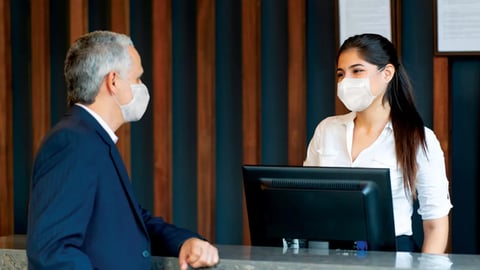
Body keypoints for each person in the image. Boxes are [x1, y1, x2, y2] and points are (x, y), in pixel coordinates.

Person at [26, 30, 219, 269]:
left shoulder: (94, 138)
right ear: (114, 81)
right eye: (137, 78)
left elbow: (130, 221)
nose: (142, 87)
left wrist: (185, 242)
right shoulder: (72, 142)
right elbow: (52, 252)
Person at [304, 33, 452, 253]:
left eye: (357, 71)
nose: (346, 81)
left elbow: (435, 226)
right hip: (330, 254)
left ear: (387, 73)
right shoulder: (327, 130)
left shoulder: (418, 138)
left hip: (393, 255)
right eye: (340, 74)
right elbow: (307, 198)